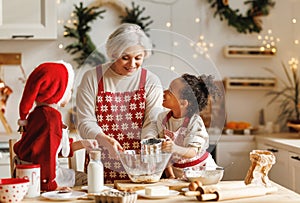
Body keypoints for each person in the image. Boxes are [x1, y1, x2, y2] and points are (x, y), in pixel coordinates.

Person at [76, 23, 164, 183]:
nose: (132, 64)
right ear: (113, 53)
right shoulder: (92, 78)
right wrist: (104, 140)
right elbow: (85, 122)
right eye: (125, 57)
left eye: (138, 58)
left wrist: (145, 152)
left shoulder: (151, 81)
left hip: (141, 168)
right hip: (101, 166)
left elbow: (152, 123)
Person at [14, 61, 98, 191]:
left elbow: (55, 148)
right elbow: (46, 155)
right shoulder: (50, 118)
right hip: (41, 178)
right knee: (90, 180)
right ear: (58, 91)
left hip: (32, 174)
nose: (70, 94)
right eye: (69, 90)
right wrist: (51, 185)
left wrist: (82, 144)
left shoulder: (39, 114)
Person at [158, 73, 220, 179]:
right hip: (179, 173)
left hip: (202, 172)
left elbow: (192, 152)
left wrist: (174, 148)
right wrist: (170, 175)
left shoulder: (195, 122)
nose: (164, 92)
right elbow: (165, 153)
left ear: (183, 103)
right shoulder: (163, 119)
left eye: (170, 91)